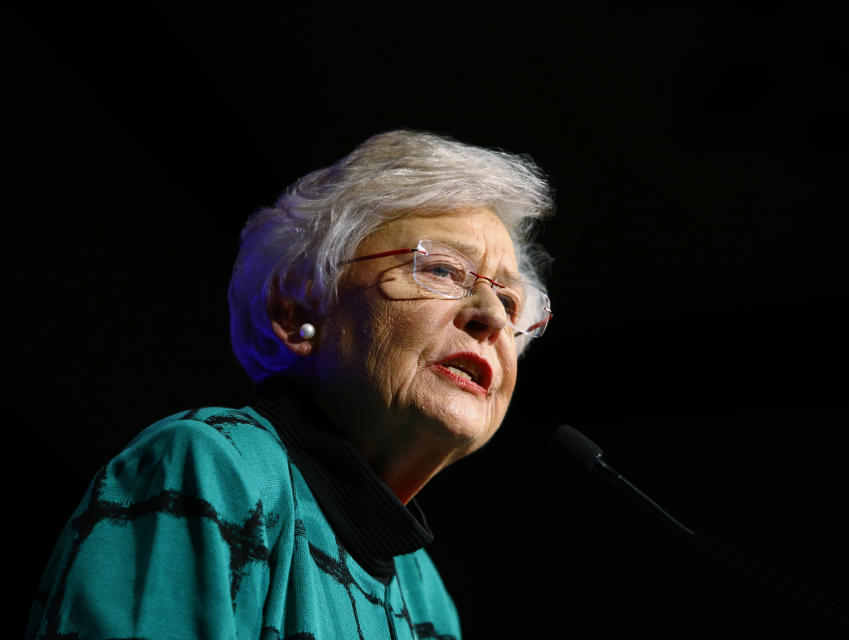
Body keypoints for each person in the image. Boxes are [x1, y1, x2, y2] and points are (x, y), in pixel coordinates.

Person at [27, 130, 555, 640]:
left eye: (510, 303)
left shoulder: (428, 599)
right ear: (296, 310)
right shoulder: (208, 466)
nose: (490, 315)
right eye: (442, 269)